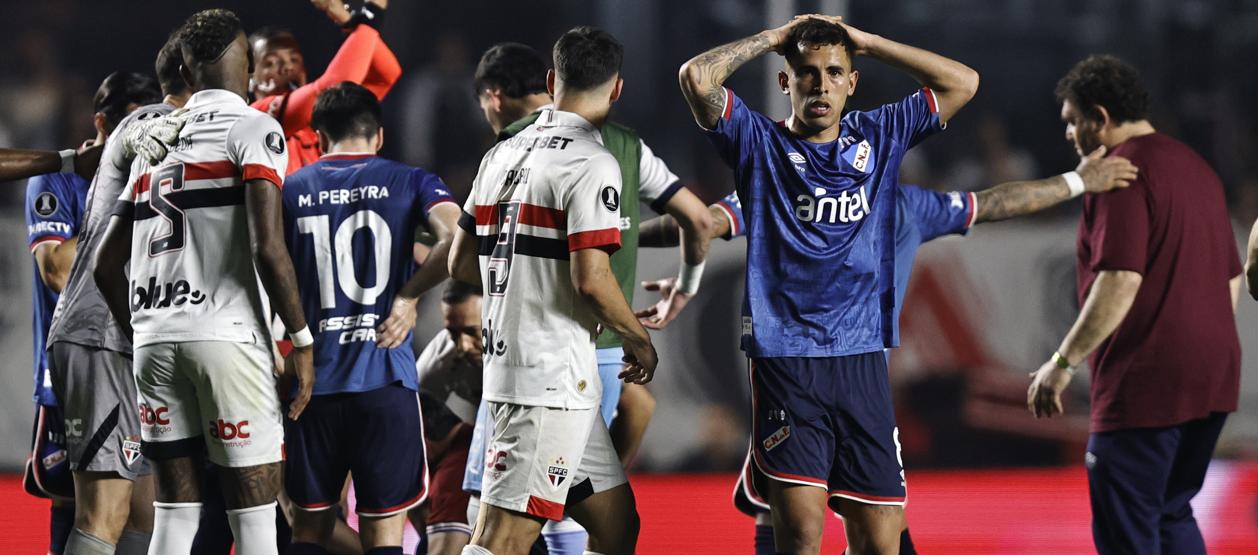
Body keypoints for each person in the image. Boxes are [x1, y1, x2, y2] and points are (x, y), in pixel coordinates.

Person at [641, 148, 1138, 554]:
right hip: (788, 381)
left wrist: (1077, 181)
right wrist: (610, 238)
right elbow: (702, 222)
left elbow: (995, 202)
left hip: (860, 391)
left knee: (879, 528)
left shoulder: (903, 207)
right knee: (795, 519)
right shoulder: (787, 198)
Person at [679, 15, 978, 554]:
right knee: (802, 535)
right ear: (784, 81)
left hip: (862, 359)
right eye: (806, 72)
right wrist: (773, 39)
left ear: (852, 83)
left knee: (882, 543)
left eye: (835, 72)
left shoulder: (881, 134)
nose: (820, 84)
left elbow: (963, 82)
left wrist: (869, 42)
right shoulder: (757, 144)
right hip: (786, 361)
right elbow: (697, 78)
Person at [92, 10, 315, 555]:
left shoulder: (158, 140)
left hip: (155, 339)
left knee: (174, 512)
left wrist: (140, 328)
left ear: (187, 68)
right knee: (255, 514)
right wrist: (302, 339)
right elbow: (268, 246)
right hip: (227, 338)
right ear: (243, 63)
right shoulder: (254, 128)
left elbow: (104, 262)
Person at [448, 26, 659, 555]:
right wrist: (638, 338)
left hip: (550, 381)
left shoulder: (501, 153)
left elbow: (459, 262)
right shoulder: (593, 161)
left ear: (551, 79)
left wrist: (519, 279)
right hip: (545, 384)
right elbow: (591, 279)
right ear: (617, 90)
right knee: (501, 540)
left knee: (617, 527)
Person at [1028, 55, 1242, 555]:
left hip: (1146, 386)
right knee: (1171, 512)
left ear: (1099, 118)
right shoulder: (1198, 168)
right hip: (1213, 379)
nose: (1068, 135)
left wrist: (1061, 364)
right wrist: (1197, 348)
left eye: (1071, 121)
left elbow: (1121, 278)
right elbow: (1229, 279)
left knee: (1128, 527)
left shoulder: (1118, 173)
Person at [280, 81, 460, 555]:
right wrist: (408, 295)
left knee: (309, 530)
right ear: (379, 135)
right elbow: (459, 238)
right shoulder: (410, 180)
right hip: (384, 381)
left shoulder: (288, 190)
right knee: (384, 533)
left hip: (311, 386)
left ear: (319, 137)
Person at [24, 70, 157, 555]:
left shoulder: (156, 182)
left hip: (137, 360)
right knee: (81, 502)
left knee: (144, 511)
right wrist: (117, 201)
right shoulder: (58, 180)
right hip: (79, 362)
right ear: (103, 123)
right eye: (130, 125)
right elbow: (57, 270)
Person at [250, 0, 401, 173]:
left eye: (294, 59)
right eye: (271, 62)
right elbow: (335, 84)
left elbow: (384, 76)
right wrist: (372, 13)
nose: (287, 67)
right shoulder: (258, 117)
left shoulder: (318, 124)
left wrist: (349, 21)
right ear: (249, 79)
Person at [412, 281, 484, 555]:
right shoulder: (443, 355)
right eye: (453, 332)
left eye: (472, 332)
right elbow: (413, 415)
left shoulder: (532, 352)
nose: (463, 345)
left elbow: (628, 401)